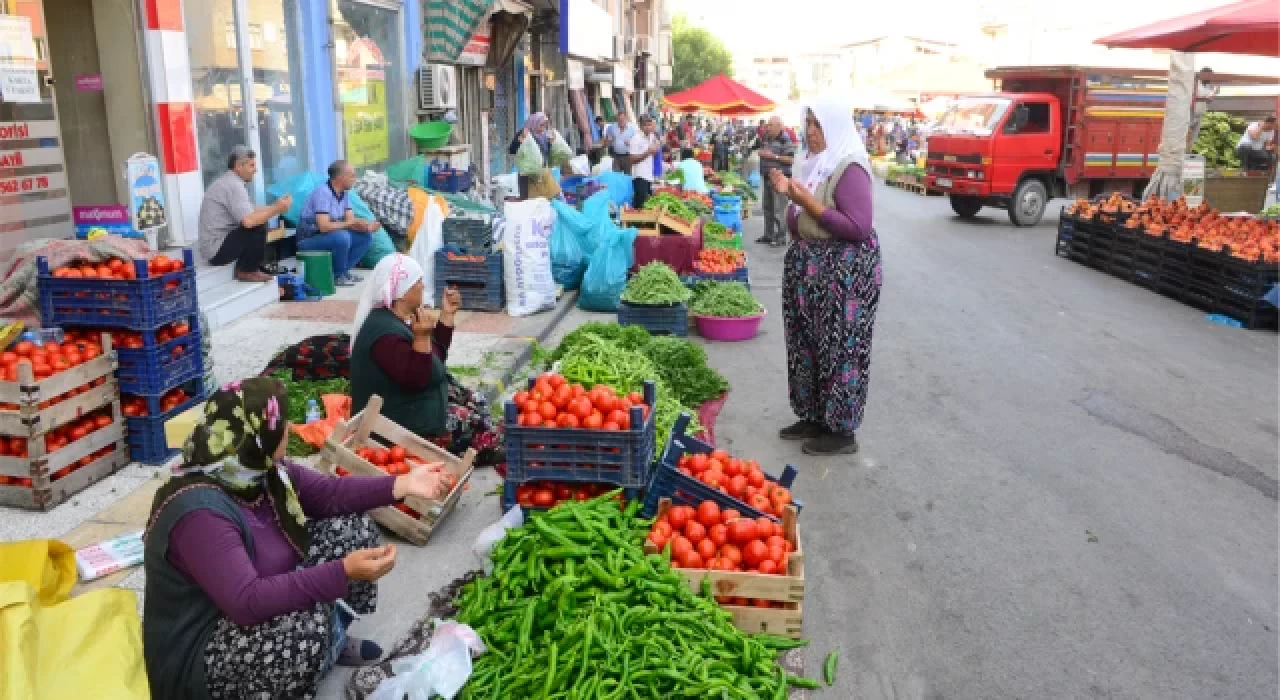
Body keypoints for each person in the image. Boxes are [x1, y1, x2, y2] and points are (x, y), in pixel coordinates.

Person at [142, 376, 451, 699]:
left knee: (349, 528)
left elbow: (329, 495)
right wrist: (341, 572)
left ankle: (329, 643)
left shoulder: (257, 470)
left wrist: (402, 485)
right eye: (282, 424)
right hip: (200, 654)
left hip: (245, 602)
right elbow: (247, 602)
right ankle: (295, 668)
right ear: (256, 435)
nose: (288, 430)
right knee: (304, 623)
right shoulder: (199, 512)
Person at [768, 96, 881, 456]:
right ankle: (813, 415)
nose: (810, 132)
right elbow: (799, 218)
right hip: (810, 269)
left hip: (843, 275)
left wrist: (807, 204)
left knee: (839, 348)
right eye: (808, 124)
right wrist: (788, 196)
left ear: (834, 127)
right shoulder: (814, 164)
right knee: (806, 346)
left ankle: (841, 430)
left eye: (817, 125)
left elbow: (859, 226)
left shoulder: (850, 168)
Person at [349, 254, 504, 464]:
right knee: (468, 420)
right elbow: (418, 378)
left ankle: (482, 445)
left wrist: (446, 317)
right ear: (403, 292)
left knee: (476, 400)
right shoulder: (384, 335)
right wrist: (421, 337)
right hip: (394, 423)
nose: (423, 286)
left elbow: (433, 362)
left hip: (408, 403)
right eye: (418, 281)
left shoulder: (397, 319)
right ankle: (474, 451)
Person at [198, 145, 290, 283]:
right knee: (257, 224)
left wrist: (274, 206)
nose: (255, 170)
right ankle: (248, 270)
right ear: (238, 166)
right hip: (215, 249)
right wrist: (276, 209)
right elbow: (249, 221)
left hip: (216, 245)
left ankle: (251, 268)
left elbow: (250, 209)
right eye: (251, 165)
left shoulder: (229, 182)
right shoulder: (233, 185)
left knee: (258, 220)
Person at [297, 160, 379, 287]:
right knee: (342, 237)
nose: (354, 179)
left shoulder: (344, 194)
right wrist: (351, 223)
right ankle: (337, 275)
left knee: (365, 237)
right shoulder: (323, 192)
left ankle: (344, 272)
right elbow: (324, 227)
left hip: (328, 236)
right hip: (308, 240)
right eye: (352, 175)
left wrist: (367, 227)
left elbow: (350, 221)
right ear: (341, 178)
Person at [757, 116, 797, 247]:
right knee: (767, 207)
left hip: (779, 179)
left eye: (771, 125)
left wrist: (774, 156)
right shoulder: (767, 137)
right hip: (767, 177)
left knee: (779, 209)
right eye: (768, 125)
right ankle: (768, 235)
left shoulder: (785, 139)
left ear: (780, 126)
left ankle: (780, 237)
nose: (768, 128)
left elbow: (791, 160)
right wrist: (761, 153)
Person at [628, 115, 661, 208]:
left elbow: (654, 152)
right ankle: (636, 222)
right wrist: (648, 152)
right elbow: (632, 159)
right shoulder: (635, 138)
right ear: (640, 126)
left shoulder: (652, 136)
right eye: (646, 125)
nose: (649, 127)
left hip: (648, 175)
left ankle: (643, 222)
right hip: (639, 175)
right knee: (639, 203)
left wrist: (656, 148)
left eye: (650, 125)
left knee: (647, 203)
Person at [1188, 68, 1218, 147]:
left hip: (1201, 113)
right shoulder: (1194, 84)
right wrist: (1205, 98)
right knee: (1187, 133)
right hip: (1191, 112)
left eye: (1211, 76)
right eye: (1208, 75)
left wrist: (1213, 94)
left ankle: (1190, 151)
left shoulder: (1208, 86)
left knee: (1195, 136)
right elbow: (1191, 97)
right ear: (1202, 75)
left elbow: (1208, 100)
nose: (1209, 78)